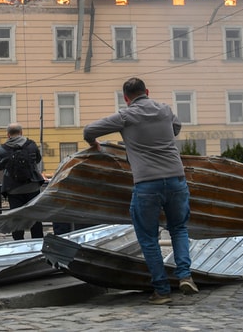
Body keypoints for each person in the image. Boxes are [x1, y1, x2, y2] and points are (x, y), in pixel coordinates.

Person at [83, 77, 198, 305]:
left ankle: (162, 291)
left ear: (126, 98)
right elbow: (176, 127)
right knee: (178, 229)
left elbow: (89, 130)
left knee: (148, 238)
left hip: (147, 183)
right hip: (176, 179)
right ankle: (185, 275)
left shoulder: (125, 116)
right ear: (146, 91)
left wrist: (94, 144)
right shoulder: (165, 109)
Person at [0, 123, 45, 240]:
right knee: (34, 215)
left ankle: (18, 243)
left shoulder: (2, 149)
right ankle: (38, 241)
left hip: (13, 189)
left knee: (16, 217)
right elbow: (38, 159)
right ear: (21, 132)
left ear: (8, 135)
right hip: (32, 186)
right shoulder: (31, 145)